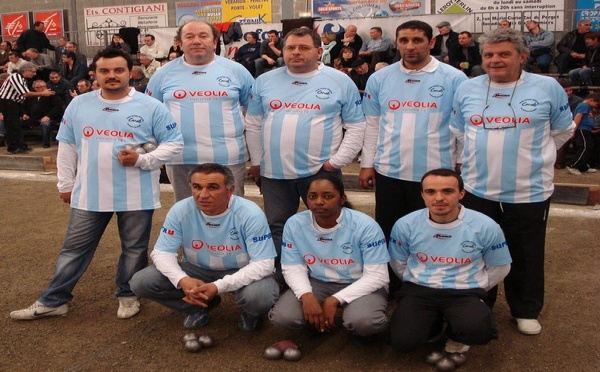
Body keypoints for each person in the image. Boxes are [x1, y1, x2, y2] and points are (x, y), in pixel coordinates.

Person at [9, 48, 183, 321]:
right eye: (105, 71)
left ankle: (127, 294)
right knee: (74, 249)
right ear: (95, 74)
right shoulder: (79, 104)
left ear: (129, 73)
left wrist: (143, 158)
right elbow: (66, 146)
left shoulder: (151, 106)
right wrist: (64, 184)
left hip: (136, 195)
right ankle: (54, 300)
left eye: (118, 70)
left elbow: (175, 144)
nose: (111, 76)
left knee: (134, 249)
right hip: (90, 193)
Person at [450, 28, 574, 335]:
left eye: (504, 54)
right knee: (477, 252)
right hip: (478, 189)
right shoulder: (467, 88)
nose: (495, 60)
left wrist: (535, 156)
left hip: (529, 192)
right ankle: (479, 304)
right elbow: (460, 133)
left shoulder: (547, 87)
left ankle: (526, 309)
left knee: (526, 252)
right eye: (489, 54)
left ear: (522, 56)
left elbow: (563, 130)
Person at [246, 27, 365, 282]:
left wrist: (337, 162)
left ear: (319, 52)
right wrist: (257, 162)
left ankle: (331, 276)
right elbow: (254, 124)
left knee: (329, 223)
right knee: (277, 227)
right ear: (283, 51)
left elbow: (356, 125)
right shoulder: (265, 81)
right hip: (274, 173)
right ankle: (279, 279)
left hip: (320, 172)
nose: (296, 52)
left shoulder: (339, 80)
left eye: (303, 48)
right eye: (290, 47)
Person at [130, 163, 279, 330]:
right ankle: (198, 307)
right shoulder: (180, 210)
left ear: (230, 190)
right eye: (197, 187)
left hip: (239, 269)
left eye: (213, 187)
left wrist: (218, 286)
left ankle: (251, 312)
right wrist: (182, 280)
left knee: (260, 295)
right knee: (141, 281)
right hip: (197, 270)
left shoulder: (250, 213)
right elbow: (161, 253)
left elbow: (264, 263)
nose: (203, 195)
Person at [388, 169, 511, 367]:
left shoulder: (486, 226)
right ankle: (432, 325)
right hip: (420, 290)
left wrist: (478, 285)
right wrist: (417, 280)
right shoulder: (405, 224)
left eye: (447, 191)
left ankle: (457, 336)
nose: (439, 198)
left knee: (478, 330)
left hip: (464, 291)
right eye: (430, 192)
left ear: (461, 194)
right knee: (402, 341)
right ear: (422, 195)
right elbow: (398, 262)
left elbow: (501, 266)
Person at [359, 20, 468, 242]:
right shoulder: (379, 78)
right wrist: (367, 164)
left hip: (436, 175)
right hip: (389, 173)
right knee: (391, 235)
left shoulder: (455, 78)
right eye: (404, 40)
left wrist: (461, 162)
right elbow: (372, 125)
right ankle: (391, 278)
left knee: (433, 237)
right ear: (397, 43)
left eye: (417, 40)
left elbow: (462, 128)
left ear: (432, 42)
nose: (410, 46)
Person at [269, 175, 389, 339]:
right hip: (318, 282)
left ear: (342, 199)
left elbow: (378, 276)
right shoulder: (294, 224)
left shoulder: (365, 226)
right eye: (312, 196)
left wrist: (335, 299)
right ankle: (314, 322)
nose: (319, 202)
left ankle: (362, 329)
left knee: (364, 321)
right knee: (283, 317)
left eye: (328, 196)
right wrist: (306, 295)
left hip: (360, 282)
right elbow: (293, 267)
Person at [146, 21, 254, 201]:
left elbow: (254, 112)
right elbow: (150, 115)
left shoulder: (236, 71)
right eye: (189, 36)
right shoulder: (162, 74)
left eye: (203, 36)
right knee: (188, 212)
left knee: (231, 212)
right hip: (180, 159)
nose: (196, 41)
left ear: (214, 42)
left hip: (228, 158)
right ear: (179, 43)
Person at [0, 62, 56, 154]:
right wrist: (43, 93)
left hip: (14, 103)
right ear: (25, 71)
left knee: (16, 125)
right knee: (12, 126)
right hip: (9, 102)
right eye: (33, 72)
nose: (34, 74)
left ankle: (21, 145)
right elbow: (25, 93)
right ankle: (13, 148)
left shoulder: (21, 78)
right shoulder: (16, 77)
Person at [21, 79, 63, 147]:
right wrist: (25, 114)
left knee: (45, 124)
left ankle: (46, 144)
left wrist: (48, 116)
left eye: (44, 86)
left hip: (49, 118)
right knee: (17, 122)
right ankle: (20, 143)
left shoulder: (52, 95)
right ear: (35, 88)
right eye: (40, 87)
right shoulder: (31, 96)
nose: (43, 88)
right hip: (33, 118)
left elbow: (58, 108)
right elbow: (23, 107)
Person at [566, 93, 600, 175]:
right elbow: (578, 118)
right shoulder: (584, 106)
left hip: (586, 129)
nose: (596, 106)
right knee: (585, 147)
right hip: (582, 129)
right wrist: (573, 131)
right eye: (596, 104)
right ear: (591, 100)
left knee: (589, 146)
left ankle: (582, 166)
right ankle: (572, 164)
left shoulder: (586, 107)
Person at [554, 78, 583, 169]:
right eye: (566, 91)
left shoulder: (578, 101)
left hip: (571, 126)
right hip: (553, 126)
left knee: (566, 134)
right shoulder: (550, 99)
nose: (569, 92)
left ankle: (560, 162)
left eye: (570, 90)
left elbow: (577, 119)